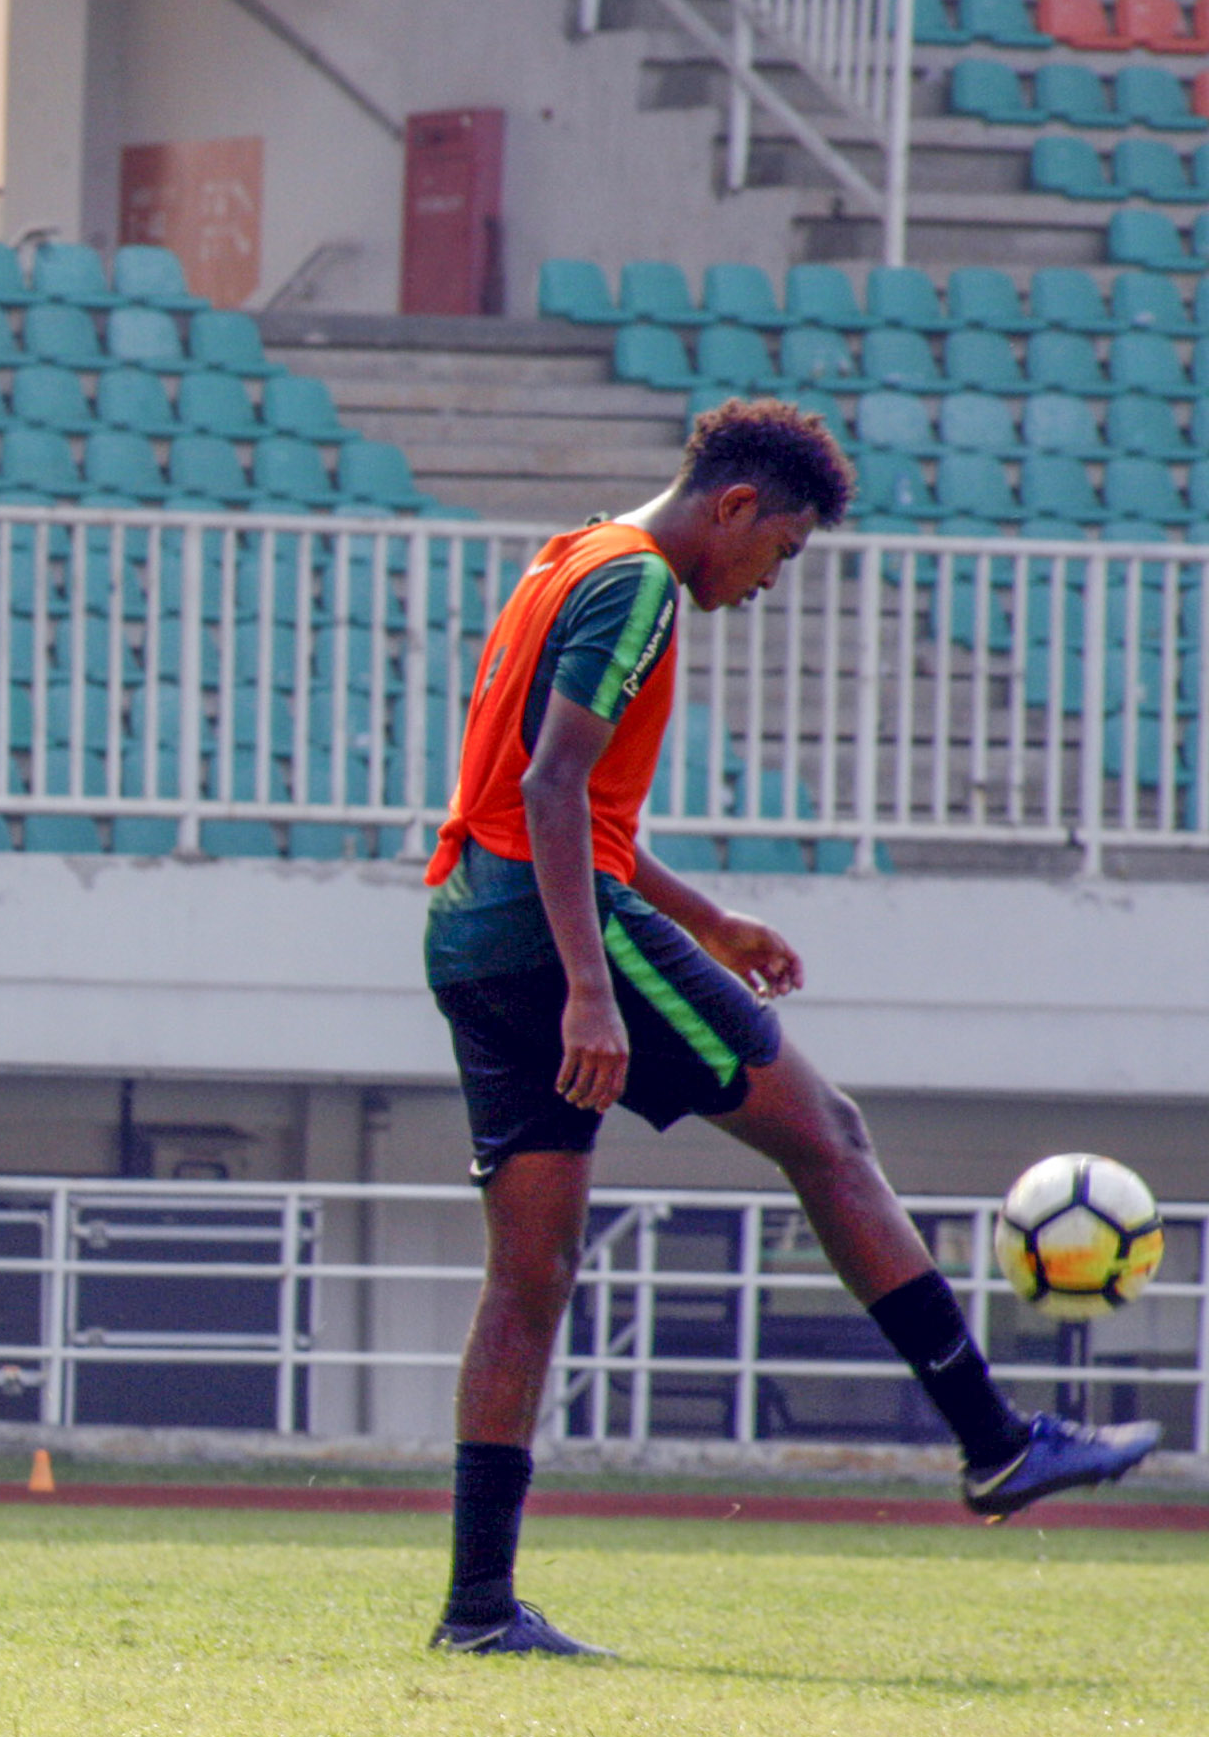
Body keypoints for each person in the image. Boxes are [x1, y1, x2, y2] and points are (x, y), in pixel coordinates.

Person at [423, 398, 1155, 1657]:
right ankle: (995, 1442)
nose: (771, 579)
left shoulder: (567, 555)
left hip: (467, 933)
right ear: (736, 506)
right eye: (783, 550)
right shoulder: (640, 587)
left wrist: (701, 918)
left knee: (530, 1274)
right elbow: (547, 787)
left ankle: (478, 1607)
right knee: (827, 1133)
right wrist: (595, 988)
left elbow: (541, 795)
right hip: (552, 942)